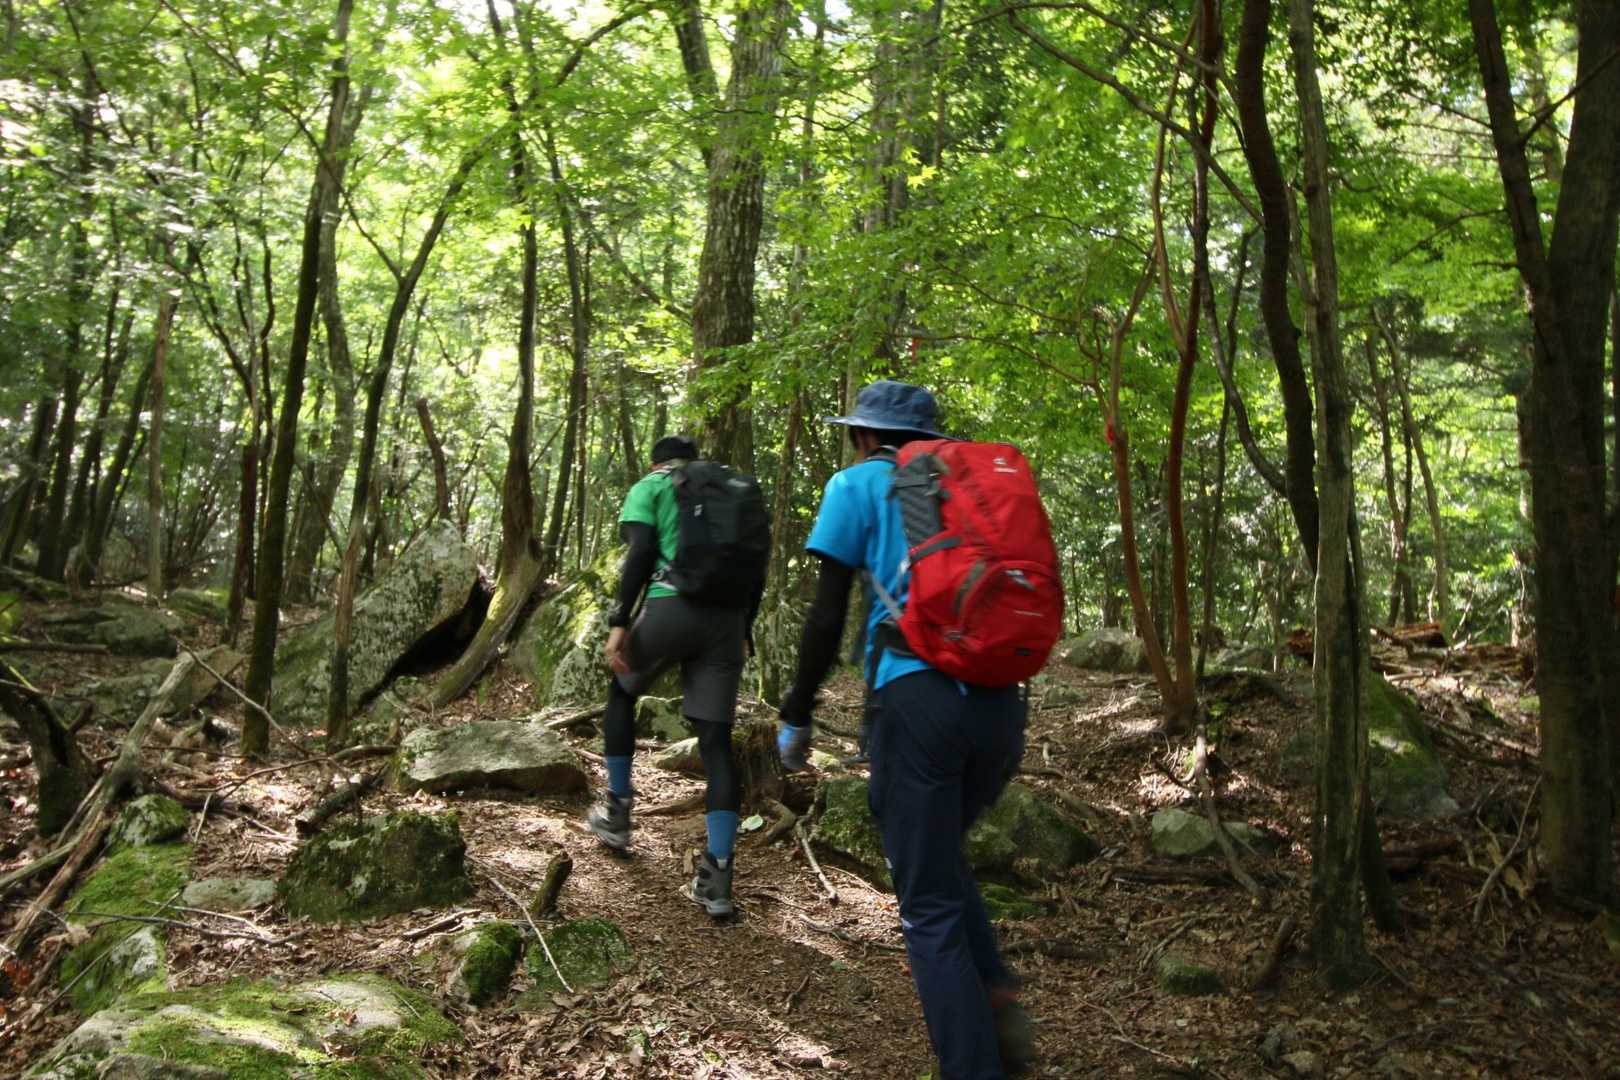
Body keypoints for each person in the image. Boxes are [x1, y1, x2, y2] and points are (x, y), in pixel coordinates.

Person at [776, 381, 1035, 1079]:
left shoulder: (857, 484)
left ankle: (974, 1066)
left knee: (926, 903)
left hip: (917, 702)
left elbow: (826, 616)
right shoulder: (972, 482)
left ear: (865, 435)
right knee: (938, 852)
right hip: (1002, 703)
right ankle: (993, 991)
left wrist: (796, 712)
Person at [585, 435, 758, 917]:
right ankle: (717, 878)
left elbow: (641, 551)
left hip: (669, 608)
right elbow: (755, 566)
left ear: (654, 462)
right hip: (726, 622)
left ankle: (618, 812)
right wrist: (746, 629)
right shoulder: (729, 493)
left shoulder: (652, 486)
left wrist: (620, 621)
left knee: (621, 694)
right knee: (716, 744)